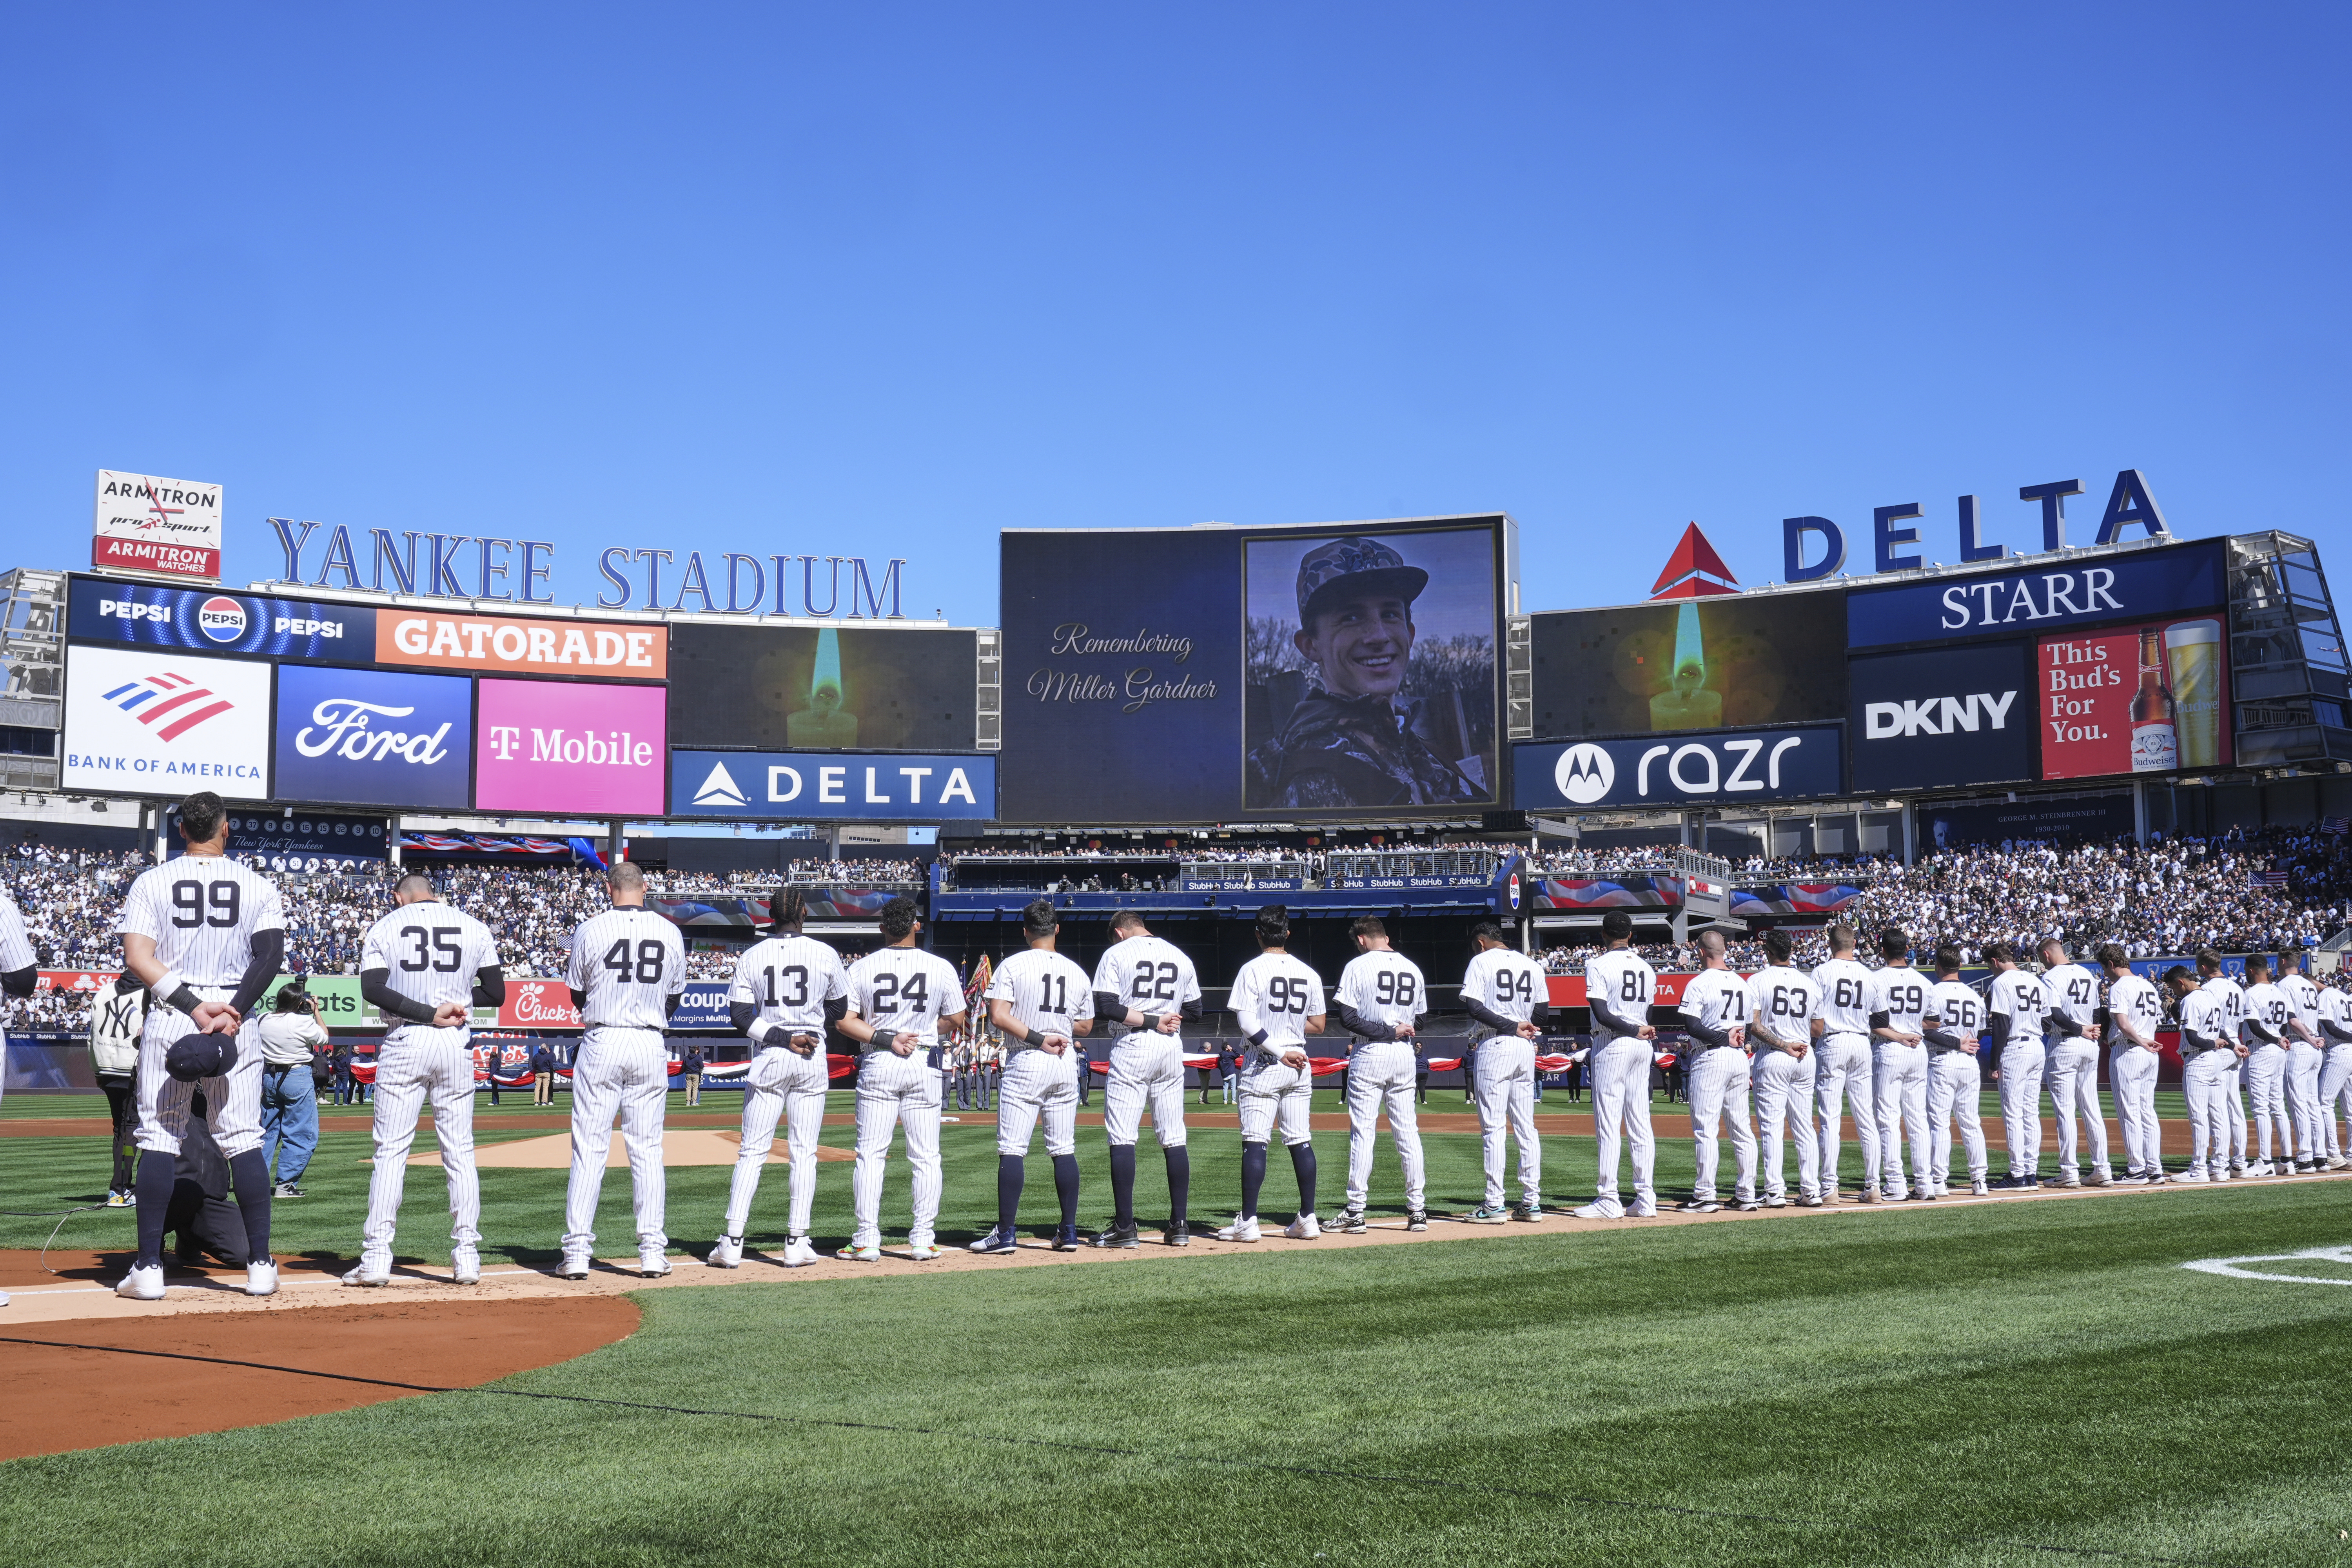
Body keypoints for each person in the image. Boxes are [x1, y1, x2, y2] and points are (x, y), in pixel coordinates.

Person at [112, 790, 286, 1303]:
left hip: (174, 1016)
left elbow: (138, 957)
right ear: (225, 829)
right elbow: (270, 956)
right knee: (244, 1138)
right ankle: (259, 1266)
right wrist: (232, 1010)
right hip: (235, 1023)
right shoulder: (257, 884)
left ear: (183, 830)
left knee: (160, 1138)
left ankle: (148, 1268)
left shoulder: (151, 881)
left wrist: (193, 1007)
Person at [345, 872, 506, 1287]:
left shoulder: (386, 925)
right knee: (460, 1151)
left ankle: (378, 1256)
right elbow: (497, 992)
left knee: (391, 1152)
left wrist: (426, 1011)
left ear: (400, 896)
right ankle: (467, 1255)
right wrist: (455, 1003)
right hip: (455, 1040)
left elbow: (372, 989)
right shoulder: (473, 925)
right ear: (434, 892)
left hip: (406, 1038)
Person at [1243, 536, 1483, 809]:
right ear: (1310, 646)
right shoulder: (1316, 770)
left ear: (1410, 634)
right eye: (1351, 618)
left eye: (1391, 614)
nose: (1378, 636)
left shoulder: (1415, 744)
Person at [559, 860, 687, 1281]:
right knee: (647, 1150)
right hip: (650, 1039)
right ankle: (652, 1251)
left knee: (589, 1150)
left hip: (604, 1036)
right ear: (645, 887)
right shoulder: (670, 931)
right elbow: (674, 998)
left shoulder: (592, 928)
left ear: (609, 888)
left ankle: (577, 1252)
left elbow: (577, 992)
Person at [710, 886, 848, 1271]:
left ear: (771, 915)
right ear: (803, 913)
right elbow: (840, 1007)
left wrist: (783, 1037)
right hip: (811, 1054)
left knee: (752, 1151)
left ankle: (733, 1242)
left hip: (773, 1053)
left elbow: (739, 1015)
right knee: (804, 1152)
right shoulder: (825, 954)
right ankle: (796, 1241)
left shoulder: (753, 955)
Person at [837, 895, 966, 1261]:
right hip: (924, 1058)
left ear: (882, 929)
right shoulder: (939, 966)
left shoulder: (862, 967)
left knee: (870, 1155)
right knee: (926, 1157)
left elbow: (846, 1021)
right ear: (916, 926)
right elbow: (957, 1019)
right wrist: (923, 1031)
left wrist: (888, 1037)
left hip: (881, 1057)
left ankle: (866, 1239)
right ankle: (923, 1239)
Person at [971, 899, 1094, 1254]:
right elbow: (1085, 1025)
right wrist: (1056, 1026)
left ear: (1025, 931)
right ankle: (1069, 1232)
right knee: (1063, 1148)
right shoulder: (1075, 970)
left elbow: (997, 1015)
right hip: (1064, 1059)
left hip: (1028, 1055)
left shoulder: (1013, 964)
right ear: (1057, 929)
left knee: (1012, 1149)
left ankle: (1006, 1233)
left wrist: (1039, 1035)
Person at [1088, 911, 1203, 1247]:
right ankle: (1179, 1225)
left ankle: (1125, 1227)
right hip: (1171, 1046)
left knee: (1123, 1136)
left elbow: (1107, 1006)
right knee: (1173, 1136)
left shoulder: (1117, 952)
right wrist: (1167, 1016)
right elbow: (1196, 1011)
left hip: (1133, 1041)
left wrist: (1152, 1019)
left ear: (1120, 932)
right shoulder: (1179, 955)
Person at [1218, 906, 1327, 1243]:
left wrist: (1278, 1050)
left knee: (1255, 1141)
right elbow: (1319, 1025)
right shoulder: (1309, 972)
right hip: (1298, 1062)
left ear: (1258, 933)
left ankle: (1248, 1222)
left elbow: (1248, 1023)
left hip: (1265, 1061)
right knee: (1300, 1139)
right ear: (1288, 934)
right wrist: (1289, 1039)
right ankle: (1308, 1218)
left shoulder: (1252, 969)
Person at [1329, 916, 1430, 1233]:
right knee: (1408, 1132)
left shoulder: (1358, 966)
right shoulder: (1413, 968)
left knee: (1364, 1132)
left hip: (1372, 1051)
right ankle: (1417, 1211)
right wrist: (1400, 1028)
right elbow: (1422, 1020)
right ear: (1384, 937)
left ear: (1361, 939)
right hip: (1404, 1053)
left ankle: (1356, 1211)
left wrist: (1387, 1029)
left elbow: (1347, 1018)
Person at [1572, 910, 1660, 1220]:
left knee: (1609, 1124)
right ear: (1630, 935)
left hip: (1613, 1041)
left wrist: (1633, 1030)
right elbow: (1648, 1013)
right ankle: (1646, 1198)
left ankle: (1609, 1198)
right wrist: (1639, 1030)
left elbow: (1601, 1012)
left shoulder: (1598, 964)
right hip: (1641, 1044)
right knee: (1640, 1122)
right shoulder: (1647, 968)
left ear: (1603, 935)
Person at [1459, 922, 1550, 1222]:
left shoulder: (1481, 960)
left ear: (1482, 942)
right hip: (1525, 1047)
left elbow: (1473, 1006)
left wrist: (1510, 1025)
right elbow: (1542, 1013)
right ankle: (1531, 1203)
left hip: (1495, 1043)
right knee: (1526, 1127)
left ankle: (1494, 1204)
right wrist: (1521, 1024)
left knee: (1494, 1127)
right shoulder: (1531, 964)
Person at [1677, 929, 1757, 1214]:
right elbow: (1748, 1026)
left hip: (1711, 1056)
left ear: (1700, 952)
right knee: (1742, 1128)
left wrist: (1722, 1038)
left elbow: (1692, 1026)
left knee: (1706, 1130)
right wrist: (1731, 1038)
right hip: (1738, 1058)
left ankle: (1705, 1195)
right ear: (1724, 951)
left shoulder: (1699, 982)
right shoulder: (1743, 983)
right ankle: (1747, 1195)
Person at [1746, 929, 1823, 1209]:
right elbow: (1818, 1028)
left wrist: (1782, 1043)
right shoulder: (1810, 983)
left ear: (1768, 952)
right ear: (1791, 951)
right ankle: (1811, 1190)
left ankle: (1775, 1191)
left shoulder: (1757, 981)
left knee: (1772, 1128)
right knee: (1804, 1126)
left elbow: (1754, 1025)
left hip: (1775, 1054)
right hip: (1805, 1054)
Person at [1811, 924, 1882, 1202]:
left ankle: (1829, 1187)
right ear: (1854, 943)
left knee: (1830, 1118)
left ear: (1830, 944)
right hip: (1862, 1042)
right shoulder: (1869, 974)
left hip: (1834, 1039)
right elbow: (1880, 1018)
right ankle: (1873, 1186)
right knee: (1866, 1117)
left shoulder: (1822, 972)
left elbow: (1814, 1017)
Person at [2037, 940, 2111, 1187]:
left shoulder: (2051, 976)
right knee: (2091, 1108)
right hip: (2090, 1043)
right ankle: (2103, 1168)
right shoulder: (2086, 973)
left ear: (2046, 955)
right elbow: (2099, 1011)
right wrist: (2093, 1031)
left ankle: (2069, 1171)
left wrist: (2080, 1030)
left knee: (2065, 1111)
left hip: (2066, 1042)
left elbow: (2055, 1014)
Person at [1867, 927, 1933, 1203]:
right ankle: (1925, 1183)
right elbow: (1934, 1021)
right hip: (1918, 1048)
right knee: (1918, 1118)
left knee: (1888, 1118)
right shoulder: (1924, 981)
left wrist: (1900, 1031)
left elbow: (1874, 1023)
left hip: (1890, 1048)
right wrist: (1913, 1027)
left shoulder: (1876, 979)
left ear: (1882, 950)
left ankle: (1895, 1182)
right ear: (1908, 950)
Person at [1921, 944, 1990, 1198]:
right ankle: (1979, 1180)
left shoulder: (1933, 992)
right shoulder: (1974, 996)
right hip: (1969, 1063)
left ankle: (1939, 1180)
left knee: (1939, 1122)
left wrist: (1953, 1041)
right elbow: (1981, 1032)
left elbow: (1927, 1030)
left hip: (1943, 1060)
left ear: (1939, 966)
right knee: (1971, 1122)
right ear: (1960, 966)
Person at [1985, 942, 2051, 1190]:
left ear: (1994, 961)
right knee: (2030, 1112)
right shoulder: (2036, 981)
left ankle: (2017, 1174)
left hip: (2016, 1046)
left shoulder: (2001, 982)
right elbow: (2046, 1021)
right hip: (2036, 1045)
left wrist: (1993, 1062)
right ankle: (2030, 1172)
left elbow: (2001, 1024)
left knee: (2013, 1112)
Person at [2170, 965, 2244, 1183]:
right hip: (2215, 1060)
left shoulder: (2190, 1001)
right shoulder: (2210, 997)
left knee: (2199, 1117)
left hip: (2199, 1060)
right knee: (2219, 1114)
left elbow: (2192, 1038)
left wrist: (2218, 1044)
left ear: (2181, 983)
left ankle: (2199, 1168)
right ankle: (2220, 1167)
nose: (2174, 992)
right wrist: (2232, 1046)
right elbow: (2221, 1030)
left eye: (2174, 987)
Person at [2101, 945, 2168, 1185]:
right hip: (2150, 1050)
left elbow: (2123, 1023)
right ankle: (2154, 1168)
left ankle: (2136, 1170)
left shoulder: (2119, 987)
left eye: (2104, 968)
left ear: (2110, 964)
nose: (2105, 974)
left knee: (2129, 1111)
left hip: (2129, 1049)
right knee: (2147, 1111)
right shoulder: (2148, 985)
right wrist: (2145, 1041)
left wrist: (2139, 1040)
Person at [257, 983, 328, 1198]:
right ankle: (285, 1185)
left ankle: (254, 1180)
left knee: (266, 1131)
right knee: (300, 1131)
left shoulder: (263, 1018)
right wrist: (316, 1012)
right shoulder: (302, 1020)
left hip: (269, 1076)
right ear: (298, 1003)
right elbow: (324, 1038)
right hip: (296, 1075)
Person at [89, 973, 147, 1207]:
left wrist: (96, 1070)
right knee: (133, 1132)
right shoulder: (149, 992)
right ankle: (121, 1188)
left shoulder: (103, 991)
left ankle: (122, 1187)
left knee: (122, 1130)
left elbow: (91, 1034)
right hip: (133, 1069)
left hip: (107, 1069)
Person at [2237, 955, 2292, 1176]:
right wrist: (2280, 1040)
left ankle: (2265, 1161)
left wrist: (2276, 1040)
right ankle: (2287, 1160)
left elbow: (2254, 1025)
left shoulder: (2251, 993)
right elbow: (2285, 1025)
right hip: (2278, 1051)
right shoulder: (2279, 992)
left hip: (2262, 1049)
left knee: (2261, 1109)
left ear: (2251, 971)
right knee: (2278, 1107)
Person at [2274, 951, 2327, 1173]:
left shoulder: (2284, 985)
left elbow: (2293, 1020)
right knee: (2313, 1103)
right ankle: (2320, 1157)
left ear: (2284, 962)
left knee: (2299, 1103)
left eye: (2278, 961)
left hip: (2301, 1044)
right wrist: (2315, 1039)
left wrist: (2310, 1038)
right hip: (2315, 1047)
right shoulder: (2309, 985)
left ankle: (2305, 1158)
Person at [2198, 953, 2250, 1174]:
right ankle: (2240, 1162)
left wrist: (2229, 1044)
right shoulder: (2237, 987)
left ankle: (2220, 1162)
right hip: (2236, 1044)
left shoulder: (2208, 989)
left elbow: (2214, 1023)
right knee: (2235, 1106)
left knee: (2216, 1107)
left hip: (2222, 1047)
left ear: (2203, 967)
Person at [2317, 977, 2352, 1170]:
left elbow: (2329, 1026)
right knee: (2350, 1109)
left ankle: (2333, 1154)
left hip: (2340, 1050)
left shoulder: (2325, 996)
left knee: (2324, 1103)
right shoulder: (2344, 996)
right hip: (2350, 1051)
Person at [531, 1040, 557, 1105]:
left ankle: (536, 1102)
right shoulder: (549, 1056)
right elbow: (552, 1065)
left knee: (537, 1088)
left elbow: (533, 1065)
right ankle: (544, 1102)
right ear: (546, 1048)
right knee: (546, 1088)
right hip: (547, 1073)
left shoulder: (536, 1055)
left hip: (538, 1073)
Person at [681, 1043, 704, 1107]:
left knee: (688, 1089)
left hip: (688, 1074)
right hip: (696, 1074)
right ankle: (694, 1102)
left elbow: (683, 1067)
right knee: (695, 1089)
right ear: (695, 1051)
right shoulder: (698, 1058)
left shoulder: (686, 1058)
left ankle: (688, 1102)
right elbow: (702, 1066)